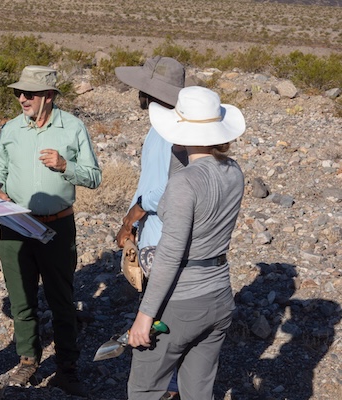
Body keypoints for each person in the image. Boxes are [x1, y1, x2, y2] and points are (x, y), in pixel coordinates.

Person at [127, 86, 246, 399]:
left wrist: (145, 315)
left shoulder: (184, 183)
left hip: (182, 301)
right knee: (198, 390)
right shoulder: (234, 171)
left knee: (144, 388)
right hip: (219, 294)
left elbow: (170, 254)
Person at [0, 65, 102, 396]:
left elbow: (94, 177)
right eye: (18, 93)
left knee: (61, 300)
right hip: (15, 225)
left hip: (57, 227)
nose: (22, 98)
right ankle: (27, 360)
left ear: (49, 97)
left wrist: (66, 166)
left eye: (29, 93)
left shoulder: (73, 128)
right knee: (21, 298)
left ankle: (67, 368)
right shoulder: (10, 129)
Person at [114, 56, 187, 400]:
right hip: (157, 236)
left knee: (157, 318)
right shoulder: (164, 128)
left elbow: (167, 189)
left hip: (163, 240)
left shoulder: (172, 133)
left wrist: (133, 216)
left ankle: (163, 388)